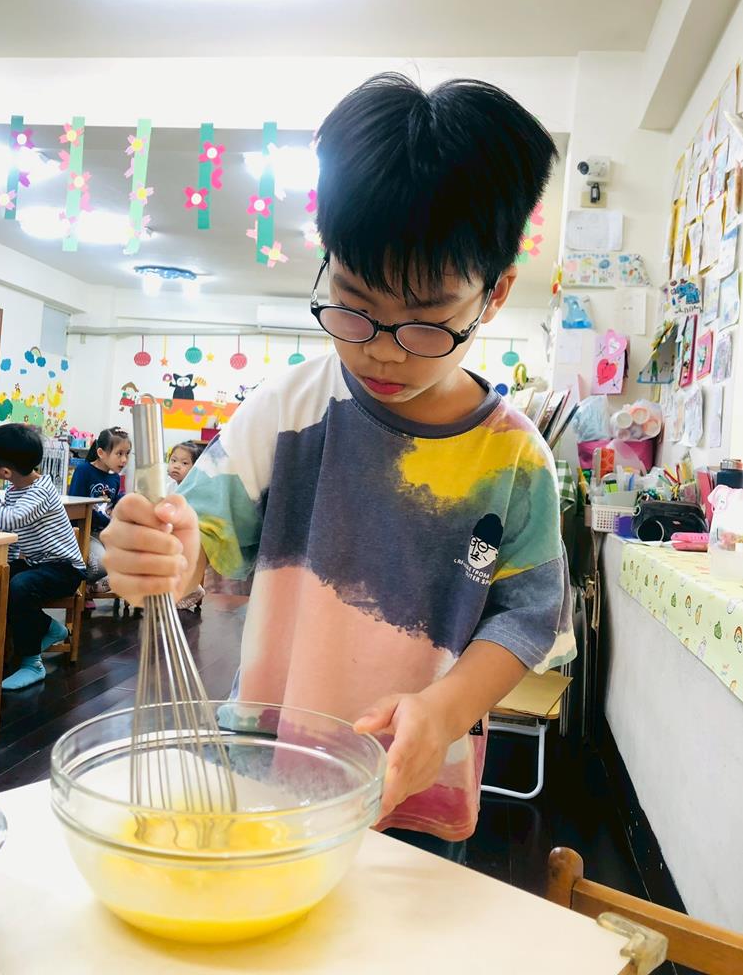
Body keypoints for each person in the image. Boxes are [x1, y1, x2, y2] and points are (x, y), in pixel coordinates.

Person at [102, 73, 576, 861]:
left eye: (425, 321)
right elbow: (198, 541)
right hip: (261, 771)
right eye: (353, 305)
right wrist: (160, 555)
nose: (381, 350)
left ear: (493, 296)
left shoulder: (514, 456)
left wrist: (445, 710)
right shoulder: (288, 410)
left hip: (412, 781)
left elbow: (527, 616)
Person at [0, 424, 86, 689]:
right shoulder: (16, 489)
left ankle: (32, 663)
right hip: (38, 564)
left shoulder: (40, 492)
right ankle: (46, 629)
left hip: (65, 569)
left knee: (20, 587)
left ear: (5, 472)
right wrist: (5, 563)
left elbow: (11, 520)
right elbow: (15, 535)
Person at [69, 427, 131, 589]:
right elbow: (76, 506)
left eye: (127, 454)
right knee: (101, 567)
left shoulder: (115, 477)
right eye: (119, 454)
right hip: (85, 533)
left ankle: (93, 588)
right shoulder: (84, 471)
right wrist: (107, 519)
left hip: (107, 533)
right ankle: (83, 588)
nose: (124, 460)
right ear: (101, 453)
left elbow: (113, 502)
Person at [164, 442, 207, 611]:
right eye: (173, 460)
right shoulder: (169, 487)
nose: (176, 466)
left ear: (195, 468)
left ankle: (191, 589)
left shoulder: (194, 490)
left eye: (184, 463)